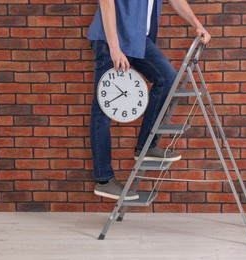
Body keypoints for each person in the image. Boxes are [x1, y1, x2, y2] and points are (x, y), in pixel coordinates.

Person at [87, 0, 211, 200]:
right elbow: (107, 3)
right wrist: (115, 48)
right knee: (102, 108)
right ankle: (104, 179)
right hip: (111, 40)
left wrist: (197, 24)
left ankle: (146, 146)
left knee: (167, 78)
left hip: (138, 39)